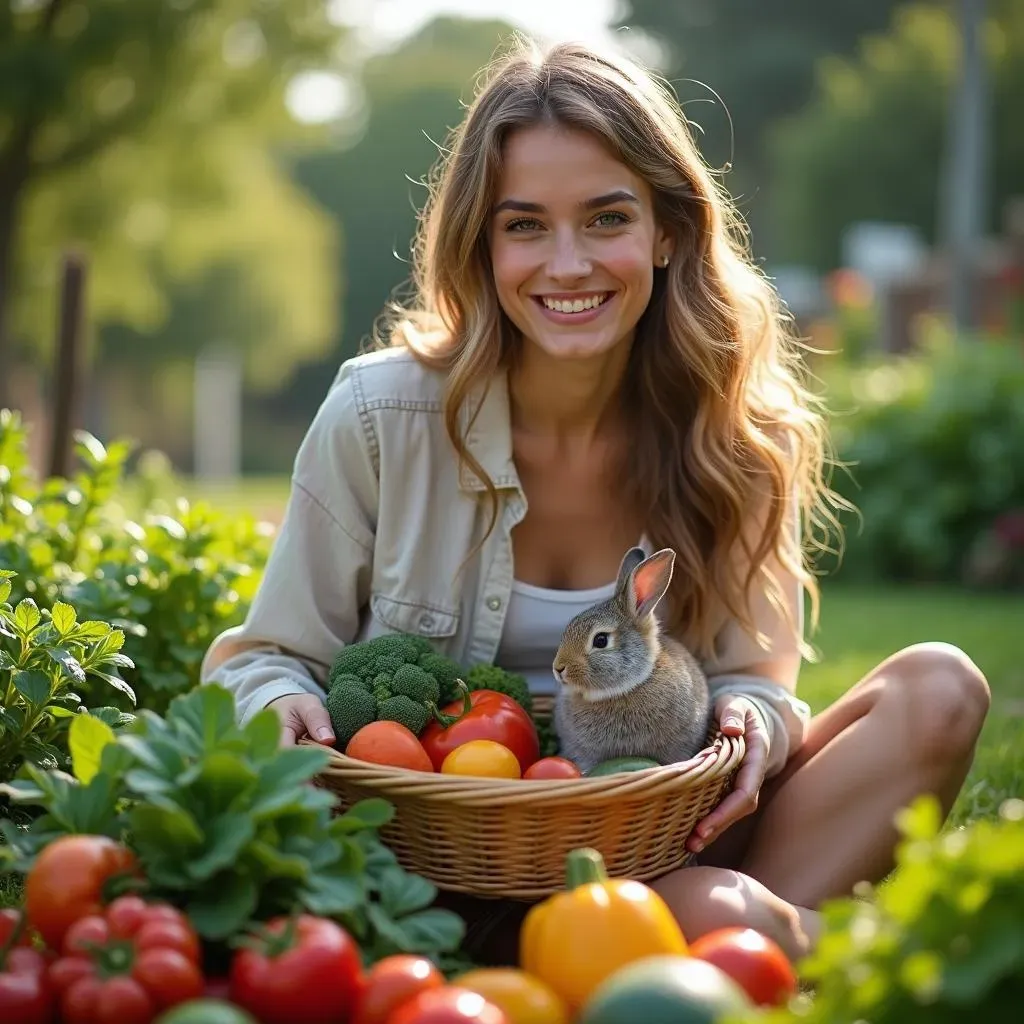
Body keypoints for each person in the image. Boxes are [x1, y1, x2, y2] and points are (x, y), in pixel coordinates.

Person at [200, 36, 991, 964]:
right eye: (525, 225)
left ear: (666, 232)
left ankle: (708, 938)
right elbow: (266, 659)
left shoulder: (732, 430)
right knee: (721, 923)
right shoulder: (380, 415)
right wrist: (282, 701)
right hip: (439, 865)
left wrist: (753, 722)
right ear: (482, 244)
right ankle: (843, 949)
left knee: (939, 688)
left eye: (607, 218)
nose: (568, 264)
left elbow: (755, 681)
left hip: (666, 838)